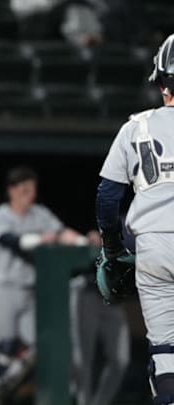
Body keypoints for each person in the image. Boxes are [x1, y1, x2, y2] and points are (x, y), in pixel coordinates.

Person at [95, 33, 174, 405]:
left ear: (161, 83)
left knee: (164, 352)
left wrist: (112, 248)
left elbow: (108, 197)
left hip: (153, 247)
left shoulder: (136, 126)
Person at [0, 166, 87, 404]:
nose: (30, 196)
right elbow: (13, 242)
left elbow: (62, 232)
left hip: (28, 291)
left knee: (42, 345)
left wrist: (82, 241)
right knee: (4, 351)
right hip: (2, 289)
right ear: (12, 191)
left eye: (32, 190)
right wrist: (42, 239)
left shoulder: (39, 214)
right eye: (24, 190)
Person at [69, 230, 130, 405]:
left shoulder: (134, 214)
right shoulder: (99, 206)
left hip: (112, 295)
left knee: (121, 360)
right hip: (86, 289)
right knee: (82, 358)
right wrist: (87, 237)